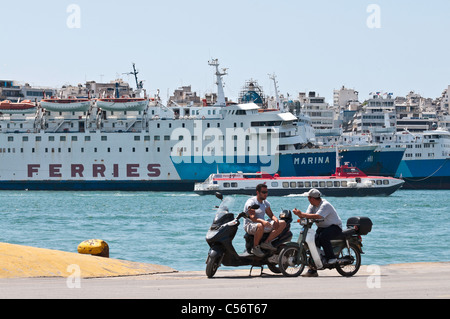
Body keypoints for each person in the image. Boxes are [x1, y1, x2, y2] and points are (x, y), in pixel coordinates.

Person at [293, 188, 342, 277]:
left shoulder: (325, 205)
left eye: (308, 198)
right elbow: (308, 215)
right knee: (313, 243)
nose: (308, 199)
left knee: (323, 237)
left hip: (334, 227)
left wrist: (301, 214)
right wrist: (301, 217)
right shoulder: (312, 206)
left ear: (311, 198)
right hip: (322, 227)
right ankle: (313, 269)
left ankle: (331, 258)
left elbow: (318, 216)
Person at [244, 184, 286, 257]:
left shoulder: (265, 203)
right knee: (260, 225)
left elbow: (271, 215)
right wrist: (263, 221)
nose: (265, 194)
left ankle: (266, 242)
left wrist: (276, 220)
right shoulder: (251, 202)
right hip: (250, 225)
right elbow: (252, 217)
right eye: (263, 192)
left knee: (283, 223)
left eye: (266, 192)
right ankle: (255, 247)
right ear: (258, 192)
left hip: (262, 225)